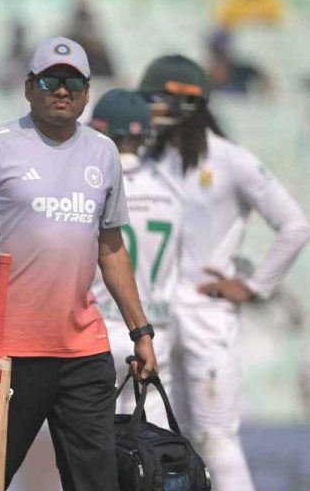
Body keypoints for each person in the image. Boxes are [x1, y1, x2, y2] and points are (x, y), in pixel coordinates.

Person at [0, 36, 158, 491]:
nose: (63, 90)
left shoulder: (103, 153)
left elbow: (112, 249)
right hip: (4, 356)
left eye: (74, 82)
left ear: (87, 92)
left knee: (97, 484)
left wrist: (141, 333)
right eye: (51, 80)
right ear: (29, 87)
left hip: (84, 352)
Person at [138, 54, 310, 491]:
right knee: (157, 437)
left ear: (188, 102)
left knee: (216, 436)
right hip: (154, 317)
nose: (151, 110)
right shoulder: (147, 159)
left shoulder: (232, 160)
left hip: (207, 314)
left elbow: (295, 225)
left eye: (158, 99)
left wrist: (252, 287)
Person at [89, 88, 182, 427]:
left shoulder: (90, 182)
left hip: (97, 331)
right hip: (154, 332)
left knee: (92, 466)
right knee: (150, 457)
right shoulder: (172, 187)